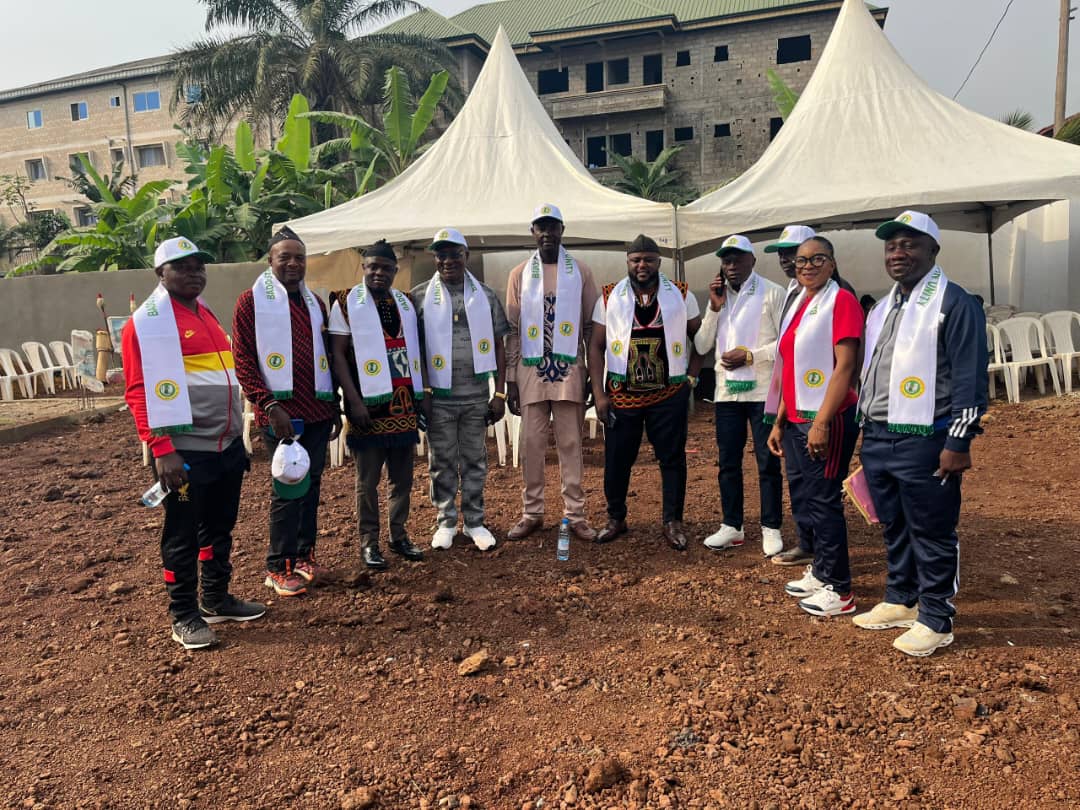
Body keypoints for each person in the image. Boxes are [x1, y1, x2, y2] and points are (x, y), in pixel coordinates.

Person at [853, 210, 987, 657]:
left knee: (931, 531)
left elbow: (969, 378)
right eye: (891, 246)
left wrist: (958, 441)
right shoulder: (883, 308)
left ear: (933, 250)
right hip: (878, 435)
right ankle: (901, 598)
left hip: (926, 437)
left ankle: (935, 618)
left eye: (909, 244)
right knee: (894, 525)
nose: (898, 253)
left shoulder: (954, 303)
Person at [122, 237, 265, 650]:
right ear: (160, 273)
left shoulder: (205, 312)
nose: (194, 273)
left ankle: (215, 598)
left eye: (199, 266)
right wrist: (162, 449)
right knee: (182, 535)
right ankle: (183, 614)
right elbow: (137, 391)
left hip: (225, 447)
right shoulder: (145, 324)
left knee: (219, 528)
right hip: (185, 452)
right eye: (182, 267)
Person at [232, 227, 341, 597]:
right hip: (279, 413)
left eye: (300, 258)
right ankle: (278, 566)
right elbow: (243, 360)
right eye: (285, 257)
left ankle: (305, 556)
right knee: (288, 487)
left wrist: (333, 405)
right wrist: (268, 404)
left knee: (311, 487)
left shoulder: (316, 304)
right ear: (270, 261)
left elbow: (326, 359)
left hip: (317, 411)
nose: (294, 264)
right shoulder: (250, 302)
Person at [766, 236, 863, 618]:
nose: (807, 266)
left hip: (827, 418)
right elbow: (792, 368)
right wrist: (779, 420)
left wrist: (821, 422)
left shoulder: (841, 301)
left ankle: (839, 588)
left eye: (817, 259)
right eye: (801, 260)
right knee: (808, 497)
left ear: (832, 263)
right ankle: (822, 571)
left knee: (824, 501)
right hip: (796, 418)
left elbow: (845, 366)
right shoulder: (802, 302)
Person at [588, 234, 702, 550]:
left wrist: (692, 378)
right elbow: (595, 347)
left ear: (659, 262)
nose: (642, 265)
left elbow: (701, 338)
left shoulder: (681, 294)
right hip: (622, 395)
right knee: (617, 459)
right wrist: (599, 394)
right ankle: (616, 518)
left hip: (669, 394)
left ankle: (672, 521)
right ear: (627, 261)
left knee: (672, 459)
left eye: (649, 259)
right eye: (636, 259)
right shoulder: (609, 297)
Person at [328, 240, 428, 570]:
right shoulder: (345, 303)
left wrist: (422, 395)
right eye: (372, 267)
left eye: (385, 268)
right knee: (367, 481)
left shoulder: (405, 302)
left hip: (403, 406)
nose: (378, 273)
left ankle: (399, 536)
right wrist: (353, 401)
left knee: (402, 479)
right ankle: (369, 542)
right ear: (364, 268)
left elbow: (416, 350)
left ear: (395, 271)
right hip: (367, 407)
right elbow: (338, 356)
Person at [505, 204, 599, 541]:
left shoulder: (581, 271)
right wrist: (511, 380)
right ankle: (532, 512)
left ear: (562, 230)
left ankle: (575, 514)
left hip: (569, 368)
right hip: (531, 370)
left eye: (553, 227)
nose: (547, 233)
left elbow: (590, 327)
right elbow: (513, 330)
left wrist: (591, 375)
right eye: (541, 227)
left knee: (571, 442)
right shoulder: (519, 274)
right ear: (533, 232)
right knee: (531, 443)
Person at [412, 228, 509, 551]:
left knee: (474, 460)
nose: (448, 260)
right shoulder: (419, 297)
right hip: (439, 398)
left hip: (476, 396)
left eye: (455, 254)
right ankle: (446, 522)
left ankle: (475, 521)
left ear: (466, 256)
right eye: (441, 255)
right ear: (434, 258)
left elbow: (500, 345)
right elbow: (415, 348)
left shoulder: (486, 296)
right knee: (441, 461)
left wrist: (499, 393)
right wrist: (424, 392)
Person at [694, 235, 786, 556]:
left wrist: (751, 356)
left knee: (767, 462)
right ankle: (732, 526)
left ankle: (771, 527)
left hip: (762, 390)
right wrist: (713, 307)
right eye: (726, 260)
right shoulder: (718, 298)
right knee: (728, 462)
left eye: (737, 259)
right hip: (727, 394)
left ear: (752, 261)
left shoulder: (773, 293)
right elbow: (702, 345)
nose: (731, 266)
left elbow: (785, 343)